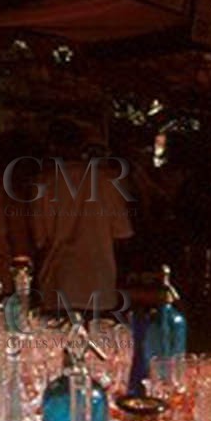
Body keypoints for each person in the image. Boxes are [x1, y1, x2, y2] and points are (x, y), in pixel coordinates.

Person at [30, 118, 133, 317]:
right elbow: (122, 235)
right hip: (99, 286)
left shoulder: (44, 183)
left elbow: (40, 240)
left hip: (58, 285)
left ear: (51, 146)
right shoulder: (106, 181)